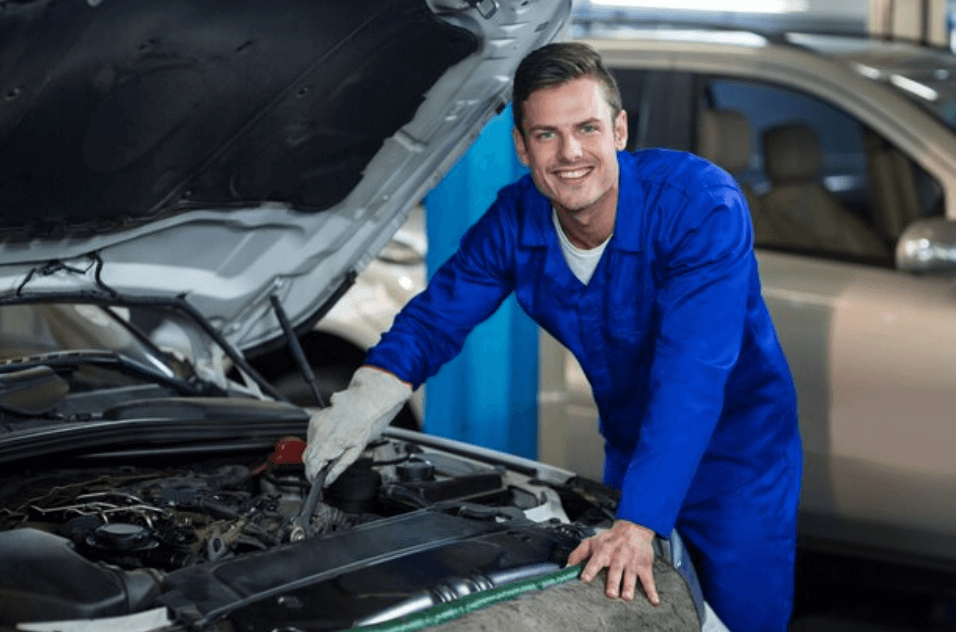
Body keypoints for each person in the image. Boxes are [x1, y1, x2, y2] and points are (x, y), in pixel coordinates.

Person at [304, 42, 802, 632]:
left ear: (619, 130)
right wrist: (368, 396)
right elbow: (438, 316)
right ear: (521, 146)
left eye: (587, 128)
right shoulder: (516, 220)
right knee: (639, 612)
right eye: (546, 135)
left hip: (737, 456)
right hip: (632, 444)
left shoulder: (700, 208)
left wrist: (638, 523)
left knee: (740, 617)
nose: (570, 153)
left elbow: (692, 376)